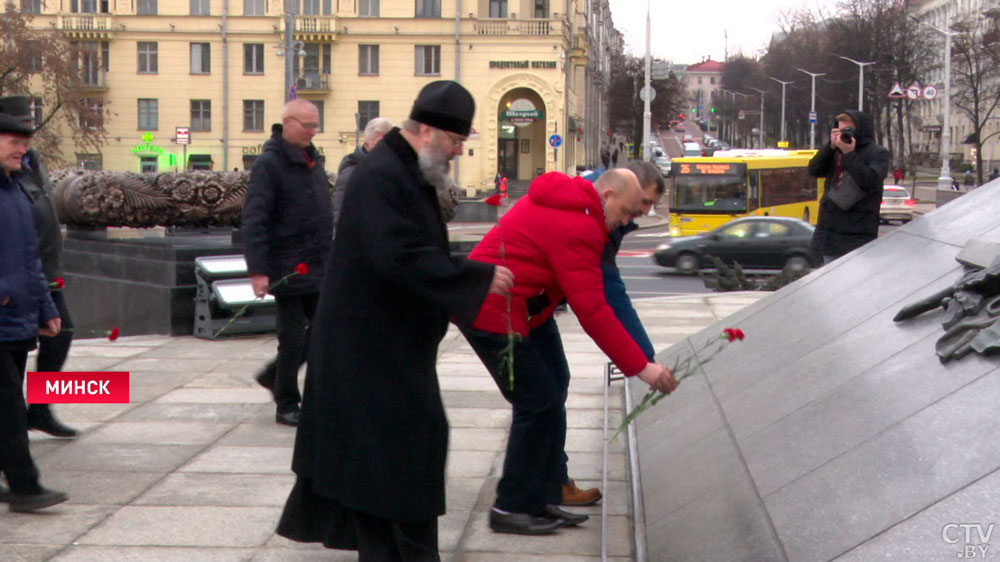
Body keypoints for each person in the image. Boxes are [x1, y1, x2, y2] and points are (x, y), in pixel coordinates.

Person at [276, 80, 513, 560]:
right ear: (425, 130)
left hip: (383, 349)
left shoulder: (405, 169)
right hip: (366, 355)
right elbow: (398, 254)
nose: (456, 152)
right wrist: (473, 278)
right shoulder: (382, 174)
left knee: (385, 471)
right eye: (453, 141)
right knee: (394, 466)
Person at [461, 168, 677, 535]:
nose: (625, 222)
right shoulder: (580, 226)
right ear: (607, 195)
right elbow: (592, 308)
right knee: (537, 402)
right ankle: (510, 507)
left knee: (556, 381)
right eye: (625, 212)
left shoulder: (577, 207)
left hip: (526, 308)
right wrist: (642, 366)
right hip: (492, 309)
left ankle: (543, 495)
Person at [558, 161, 666, 508]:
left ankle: (547, 484)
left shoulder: (601, 203)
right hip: (513, 308)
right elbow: (602, 295)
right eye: (642, 204)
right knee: (542, 396)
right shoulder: (596, 214)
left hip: (532, 306)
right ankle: (532, 492)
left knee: (550, 387)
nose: (639, 214)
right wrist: (642, 357)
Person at [242, 99, 334, 427]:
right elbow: (255, 218)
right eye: (308, 125)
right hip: (288, 266)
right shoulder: (270, 164)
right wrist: (258, 270)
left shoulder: (312, 159)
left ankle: (274, 376)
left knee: (323, 332)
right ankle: (287, 402)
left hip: (318, 263)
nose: (314, 130)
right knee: (293, 336)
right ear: (288, 123)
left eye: (315, 124)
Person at [0, 111, 67, 512]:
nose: (24, 149)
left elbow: (31, 258)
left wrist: (45, 305)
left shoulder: (15, 191)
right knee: (9, 406)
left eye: (26, 143)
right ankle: (26, 486)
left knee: (7, 403)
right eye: (14, 141)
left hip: (17, 316)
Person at [807, 110, 890, 264]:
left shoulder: (877, 153)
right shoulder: (835, 151)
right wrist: (829, 147)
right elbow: (814, 170)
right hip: (829, 231)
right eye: (839, 130)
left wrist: (849, 154)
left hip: (857, 231)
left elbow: (870, 180)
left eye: (848, 130)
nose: (843, 135)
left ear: (860, 130)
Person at [333, 116, 393, 228]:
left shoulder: (394, 169)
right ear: (367, 145)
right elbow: (341, 216)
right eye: (380, 143)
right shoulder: (352, 173)